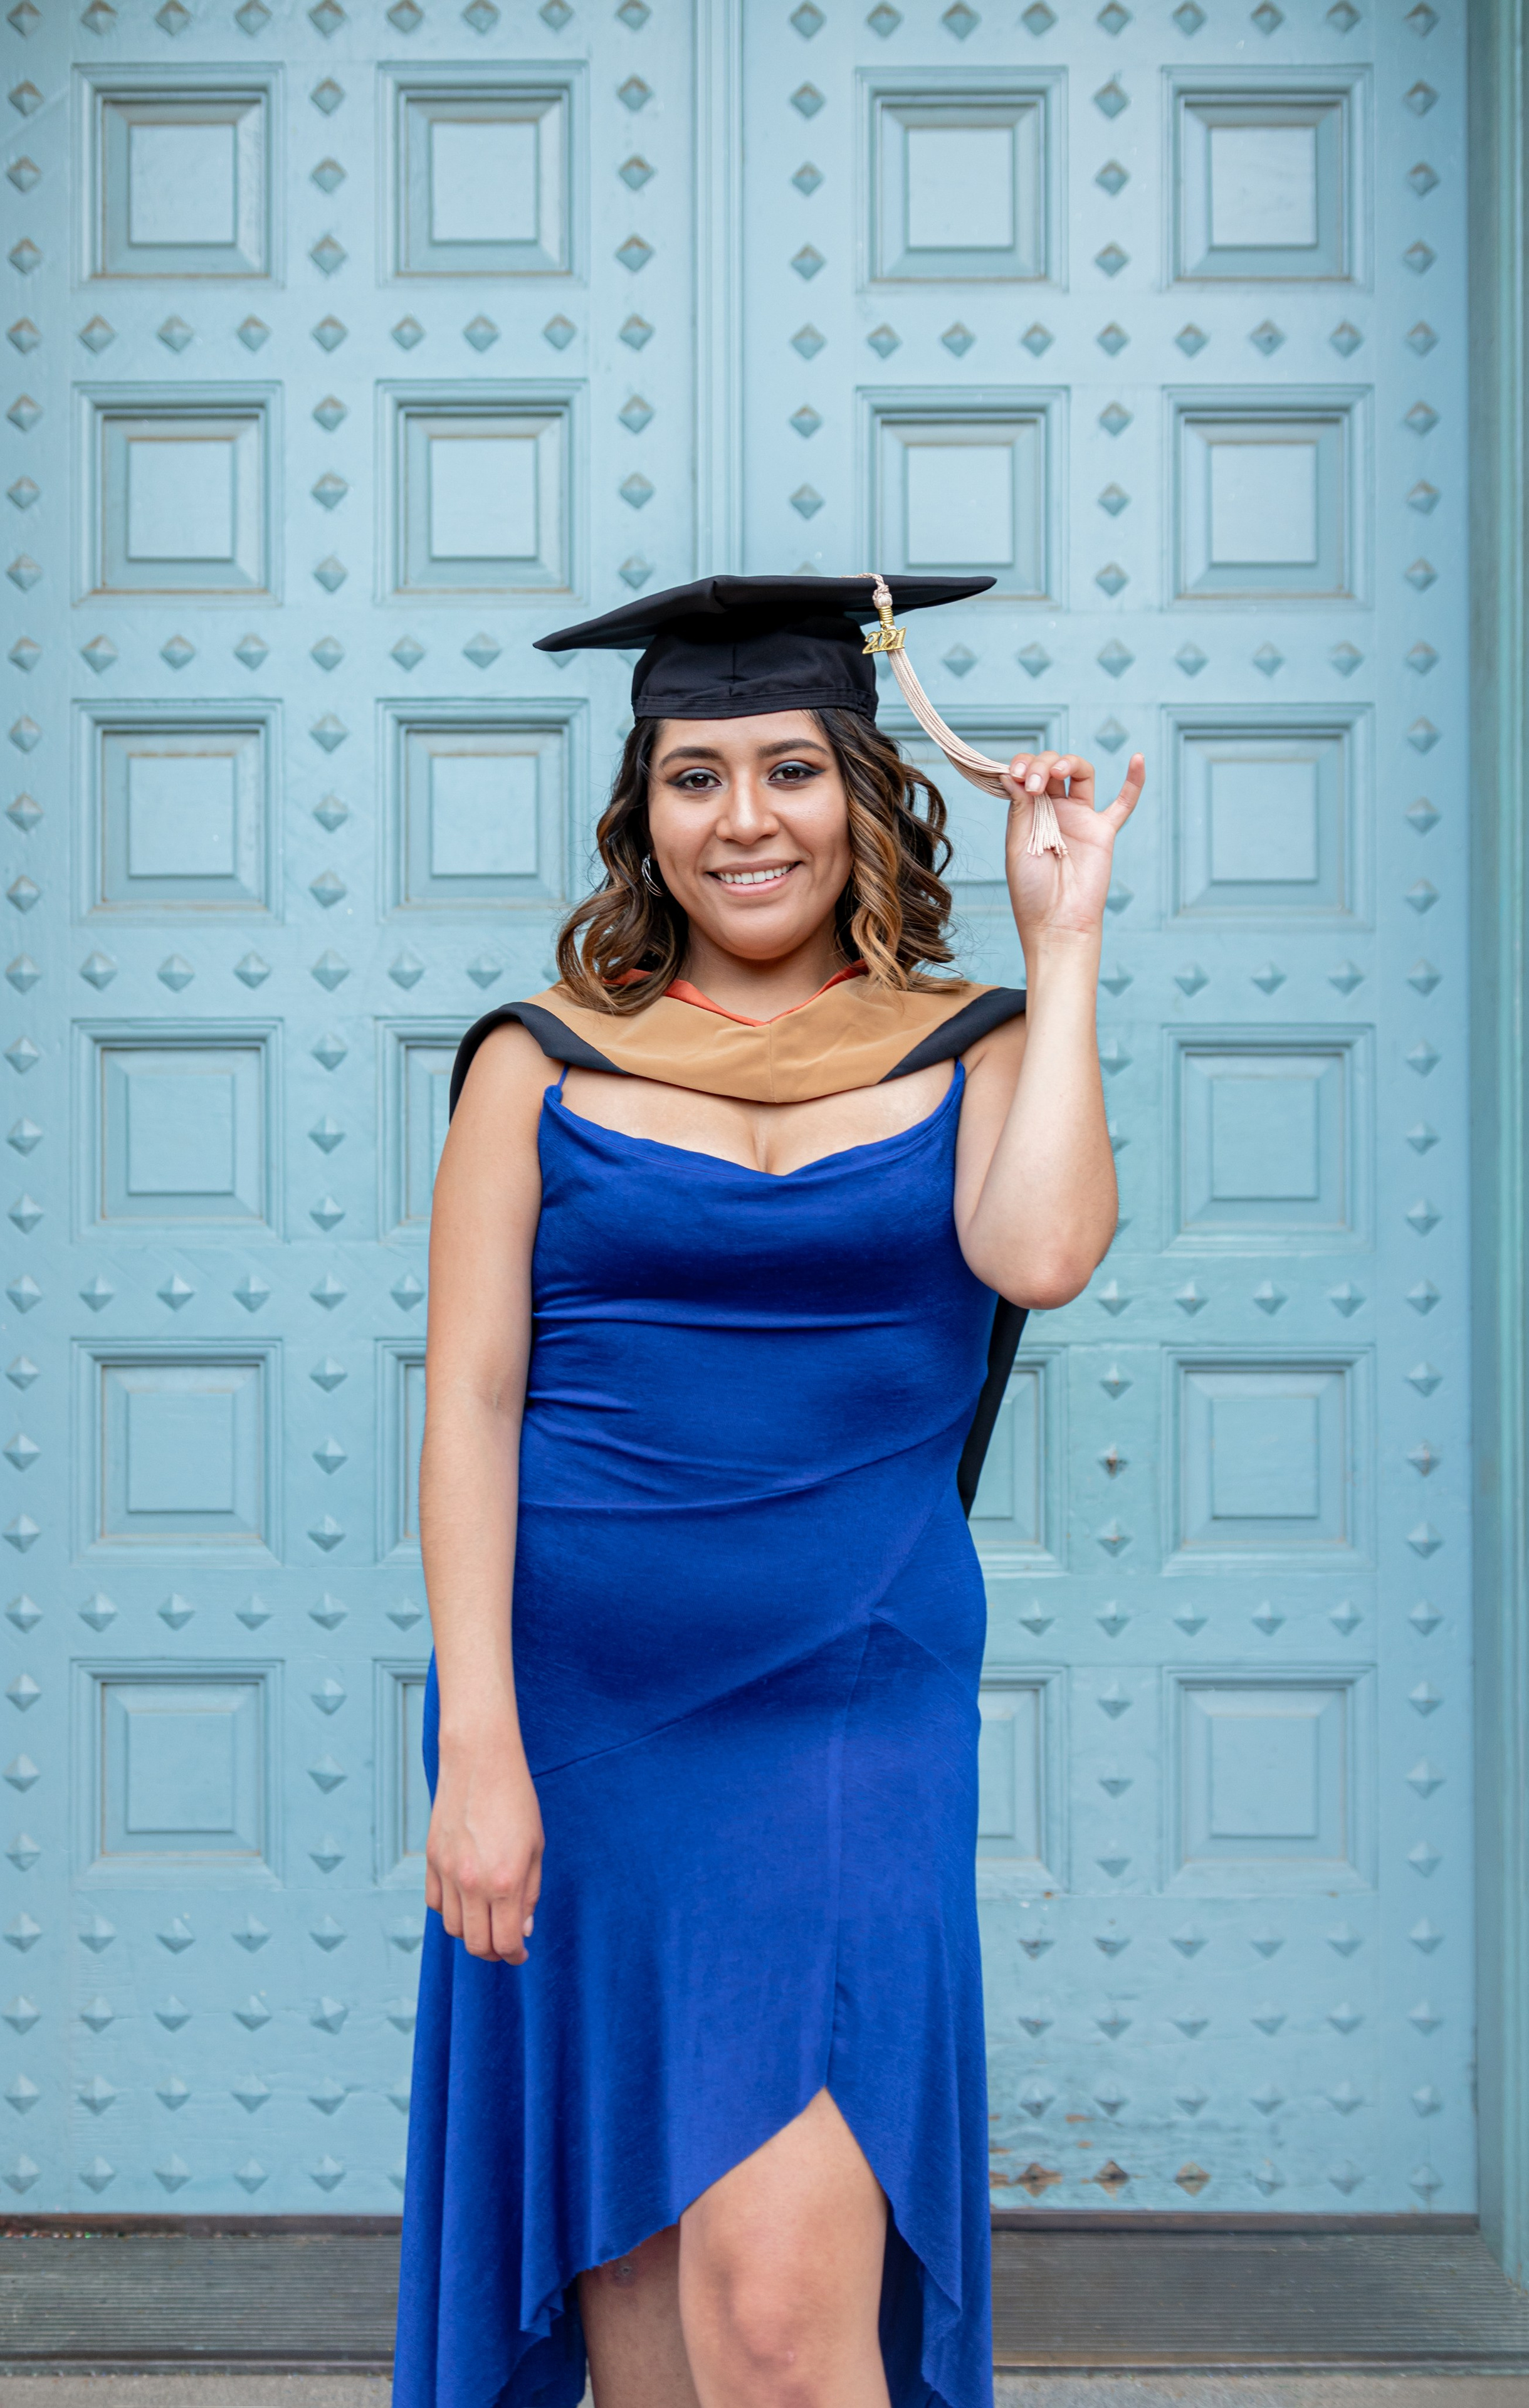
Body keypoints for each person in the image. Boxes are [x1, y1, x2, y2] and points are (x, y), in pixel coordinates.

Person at [393, 575, 1144, 2408]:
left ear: (861, 795)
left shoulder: (970, 1046)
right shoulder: (535, 1063)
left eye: (792, 769)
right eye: (696, 775)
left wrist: (1065, 951)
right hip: (577, 1724)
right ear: (643, 812)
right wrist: (479, 1748)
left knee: (783, 2337)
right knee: (643, 2314)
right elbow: (472, 1405)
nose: (745, 820)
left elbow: (1042, 1254)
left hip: (845, 1705)